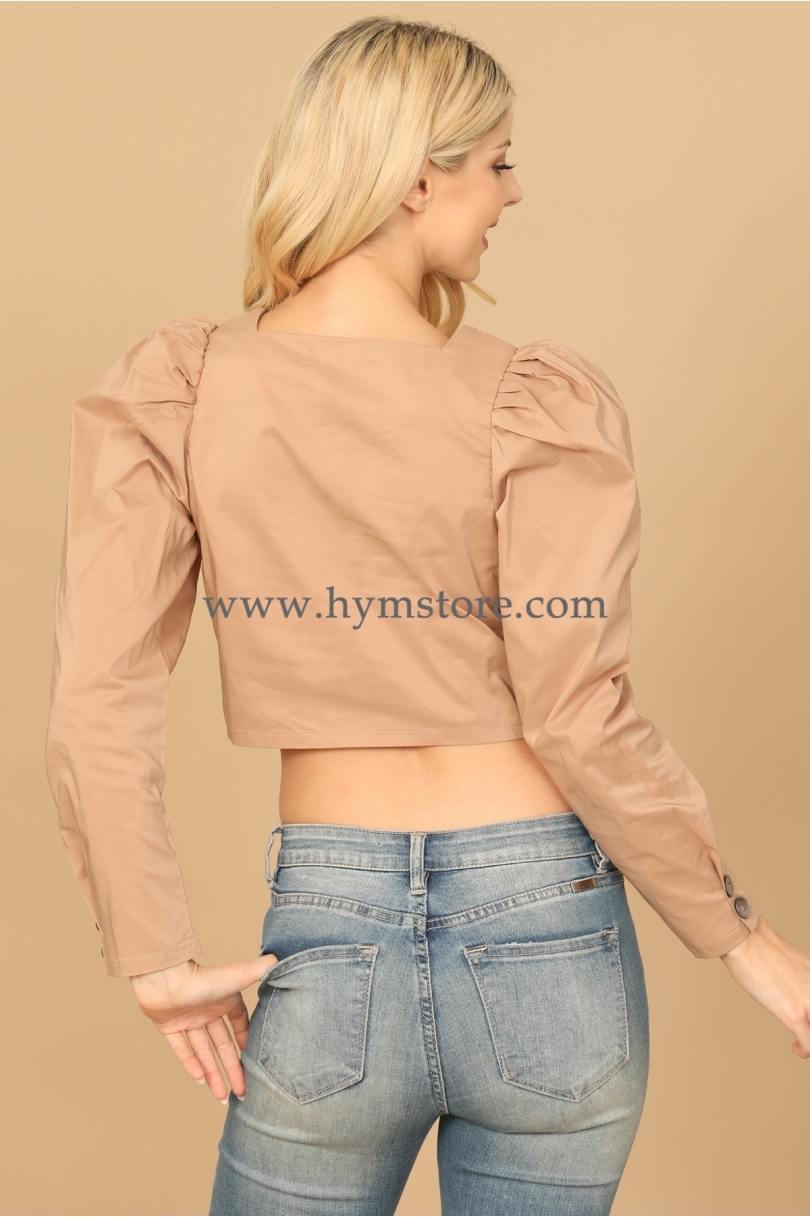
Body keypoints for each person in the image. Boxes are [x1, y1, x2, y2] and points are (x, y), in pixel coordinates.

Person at [45, 16, 810, 1217]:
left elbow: (99, 693)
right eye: (497, 161)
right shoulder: (533, 399)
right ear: (417, 179)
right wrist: (740, 935)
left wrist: (154, 952)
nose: (513, 192)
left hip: (330, 919)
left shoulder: (180, 390)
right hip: (550, 920)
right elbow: (576, 712)